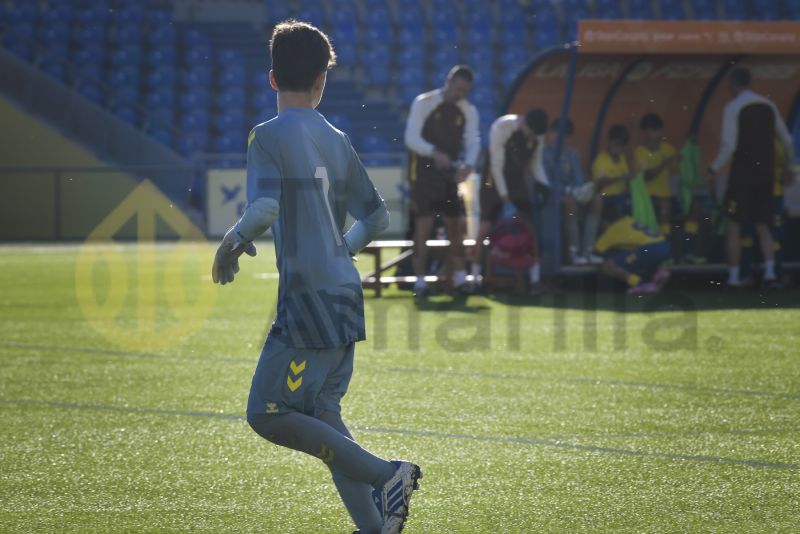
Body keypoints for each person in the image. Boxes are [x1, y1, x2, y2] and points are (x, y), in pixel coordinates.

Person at [210, 21, 421, 534]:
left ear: (271, 78)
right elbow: (377, 218)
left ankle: (389, 474)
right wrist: (338, 250)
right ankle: (375, 527)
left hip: (309, 300)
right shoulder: (336, 137)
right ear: (323, 79)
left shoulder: (268, 135)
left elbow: (263, 206)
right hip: (346, 292)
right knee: (323, 414)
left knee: (267, 413)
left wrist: (230, 244)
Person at [707, 67, 795, 287]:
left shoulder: (733, 107)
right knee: (763, 225)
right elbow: (787, 140)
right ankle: (769, 273)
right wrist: (790, 165)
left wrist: (713, 168)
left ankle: (735, 277)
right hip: (766, 176)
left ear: (733, 84)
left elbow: (730, 145)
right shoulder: (769, 105)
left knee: (734, 225)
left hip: (742, 175)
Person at [404, 65, 480, 297]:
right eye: (457, 88)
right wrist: (434, 152)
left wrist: (468, 164)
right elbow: (411, 138)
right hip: (424, 176)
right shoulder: (424, 102)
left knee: (456, 227)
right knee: (423, 228)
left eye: (464, 91)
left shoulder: (468, 110)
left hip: (450, 177)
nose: (459, 94)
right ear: (448, 81)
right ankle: (419, 282)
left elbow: (473, 141)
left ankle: (458, 279)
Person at [472, 109, 549, 293]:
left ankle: (534, 279)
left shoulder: (538, 137)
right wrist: (505, 199)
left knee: (529, 227)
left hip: (516, 181)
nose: (531, 136)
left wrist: (545, 185)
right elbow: (497, 166)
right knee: (484, 228)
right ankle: (474, 280)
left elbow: (535, 163)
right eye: (529, 131)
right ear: (524, 122)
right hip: (492, 182)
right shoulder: (502, 127)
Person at [542, 117, 587, 265]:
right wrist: (564, 190)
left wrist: (574, 190)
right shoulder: (544, 153)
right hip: (551, 197)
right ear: (550, 134)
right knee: (570, 204)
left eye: (564, 135)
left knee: (597, 200)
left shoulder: (572, 154)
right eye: (555, 133)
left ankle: (588, 251)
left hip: (572, 194)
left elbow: (579, 179)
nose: (559, 138)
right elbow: (545, 181)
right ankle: (574, 252)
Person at [584, 125, 633, 263]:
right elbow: (599, 183)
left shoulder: (622, 158)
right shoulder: (601, 159)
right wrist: (621, 178)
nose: (618, 148)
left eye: (622, 145)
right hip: (604, 201)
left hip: (620, 200)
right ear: (609, 142)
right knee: (611, 224)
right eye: (616, 144)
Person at [594, 212, 672, 295]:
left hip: (649, 249)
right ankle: (658, 273)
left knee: (607, 266)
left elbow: (597, 250)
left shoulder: (611, 230)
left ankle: (641, 284)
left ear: (605, 222)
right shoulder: (628, 220)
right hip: (665, 246)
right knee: (631, 256)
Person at [634, 113, 680, 239]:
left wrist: (679, 161)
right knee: (664, 207)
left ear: (660, 131)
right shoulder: (640, 151)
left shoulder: (668, 149)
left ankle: (666, 241)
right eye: (648, 132)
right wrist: (664, 163)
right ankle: (661, 241)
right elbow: (647, 176)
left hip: (666, 195)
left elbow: (676, 171)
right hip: (646, 196)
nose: (652, 135)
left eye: (655, 131)